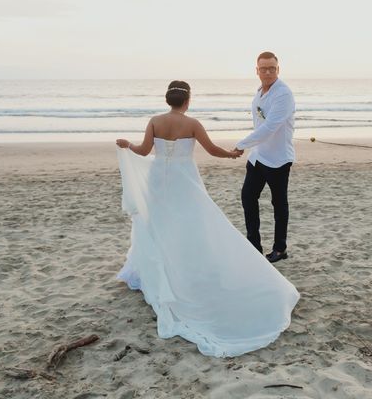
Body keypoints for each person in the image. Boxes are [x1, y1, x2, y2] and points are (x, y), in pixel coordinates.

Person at [114, 81, 299, 358]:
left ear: (169, 100)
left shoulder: (155, 121)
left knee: (160, 224)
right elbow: (212, 150)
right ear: (186, 101)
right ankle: (188, 264)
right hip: (184, 180)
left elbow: (142, 152)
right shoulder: (192, 123)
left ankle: (164, 266)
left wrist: (127, 144)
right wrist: (233, 154)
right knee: (190, 222)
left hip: (158, 182)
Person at [235, 52, 295, 263]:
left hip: (278, 159)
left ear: (278, 69)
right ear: (257, 70)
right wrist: (250, 147)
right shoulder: (260, 91)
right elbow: (259, 124)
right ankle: (254, 247)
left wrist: (241, 145)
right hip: (258, 156)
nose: (268, 72)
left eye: (272, 68)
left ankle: (280, 249)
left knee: (279, 204)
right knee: (247, 197)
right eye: (263, 69)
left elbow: (270, 127)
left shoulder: (283, 94)